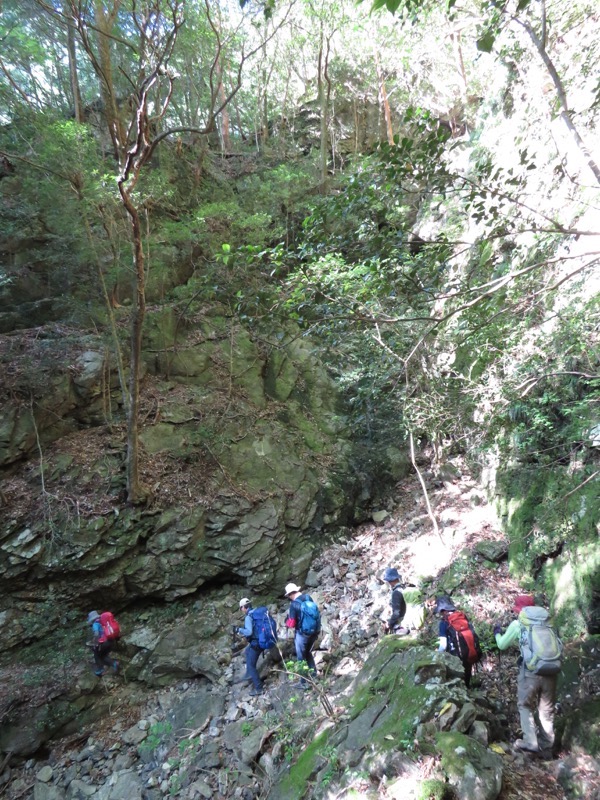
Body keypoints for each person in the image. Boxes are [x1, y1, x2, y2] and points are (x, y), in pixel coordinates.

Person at [494, 594, 557, 755]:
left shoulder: (518, 623)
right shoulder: (547, 623)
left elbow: (502, 645)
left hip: (530, 672)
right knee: (546, 709)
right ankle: (547, 747)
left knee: (525, 705)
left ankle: (530, 741)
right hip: (551, 669)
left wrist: (497, 633)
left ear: (519, 610)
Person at [434, 596, 481, 688]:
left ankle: (461, 694)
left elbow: (443, 645)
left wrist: (437, 656)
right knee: (467, 673)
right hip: (468, 651)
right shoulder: (462, 616)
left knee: (457, 680)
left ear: (443, 610)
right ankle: (468, 689)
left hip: (455, 656)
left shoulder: (444, 622)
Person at [284, 582, 321, 689]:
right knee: (307, 652)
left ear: (291, 594)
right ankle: (314, 676)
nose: (289, 598)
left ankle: (303, 683)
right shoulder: (308, 598)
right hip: (314, 632)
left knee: (300, 657)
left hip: (302, 634)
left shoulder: (294, 604)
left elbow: (291, 623)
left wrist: (286, 621)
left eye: (288, 596)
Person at [237, 598, 266, 696]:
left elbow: (249, 632)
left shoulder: (248, 617)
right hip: (262, 640)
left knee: (251, 665)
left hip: (256, 644)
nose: (241, 610)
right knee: (246, 651)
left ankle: (258, 688)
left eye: (241, 608)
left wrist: (240, 630)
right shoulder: (256, 612)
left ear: (244, 607)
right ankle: (249, 674)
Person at [87, 610, 119, 677]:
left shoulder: (95, 624)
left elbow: (96, 634)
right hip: (111, 641)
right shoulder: (103, 622)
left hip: (104, 642)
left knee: (96, 654)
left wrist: (95, 643)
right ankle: (114, 663)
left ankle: (100, 669)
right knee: (103, 655)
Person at [382, 568, 408, 635]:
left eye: (389, 581)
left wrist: (389, 624)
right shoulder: (404, 587)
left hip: (403, 621)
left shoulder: (396, 593)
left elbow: (397, 613)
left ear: (391, 581)